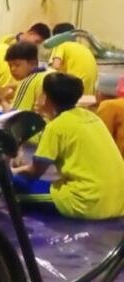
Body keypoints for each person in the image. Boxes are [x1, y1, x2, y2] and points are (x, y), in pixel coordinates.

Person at [13, 73, 124, 219]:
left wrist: (11, 170)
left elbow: (35, 171)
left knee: (10, 183)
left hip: (88, 202)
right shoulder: (91, 116)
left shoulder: (56, 127)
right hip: (118, 201)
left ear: (45, 97)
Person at [49, 22, 99, 97]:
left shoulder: (61, 45)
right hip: (89, 92)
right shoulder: (84, 47)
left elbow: (55, 67)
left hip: (74, 89)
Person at [4, 41, 53, 114]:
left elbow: (15, 115)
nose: (12, 69)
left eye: (17, 65)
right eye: (10, 65)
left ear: (33, 62)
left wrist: (2, 100)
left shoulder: (28, 82)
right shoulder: (51, 72)